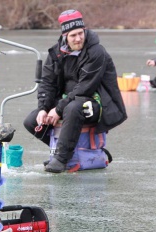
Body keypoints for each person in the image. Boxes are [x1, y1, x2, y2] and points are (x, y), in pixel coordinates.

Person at [23, 9, 127, 173]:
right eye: (73, 35)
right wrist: (43, 108)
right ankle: (63, 151)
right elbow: (47, 82)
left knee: (73, 109)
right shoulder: (56, 53)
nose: (78, 38)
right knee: (32, 121)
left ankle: (61, 159)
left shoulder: (97, 52)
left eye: (81, 33)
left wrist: (58, 109)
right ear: (65, 36)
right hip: (70, 99)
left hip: (98, 102)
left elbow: (85, 87)